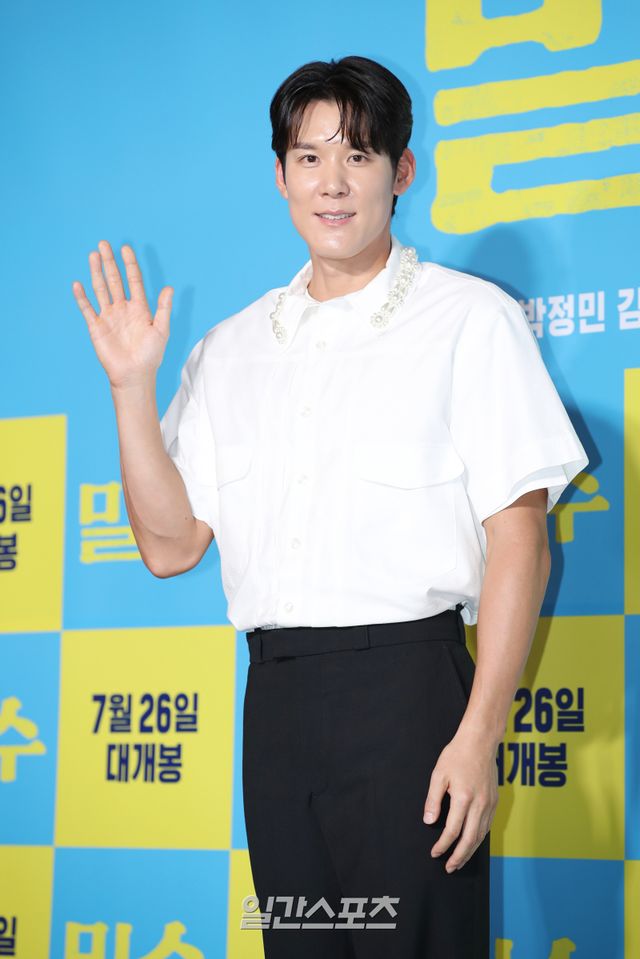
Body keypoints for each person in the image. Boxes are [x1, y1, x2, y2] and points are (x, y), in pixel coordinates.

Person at [71, 55, 589, 959]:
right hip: (277, 707)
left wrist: (478, 735)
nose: (333, 182)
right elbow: (169, 545)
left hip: (412, 699)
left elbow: (520, 541)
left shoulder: (469, 319)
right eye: (309, 158)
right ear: (280, 176)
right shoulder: (230, 348)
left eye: (358, 154)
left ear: (402, 169)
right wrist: (130, 391)